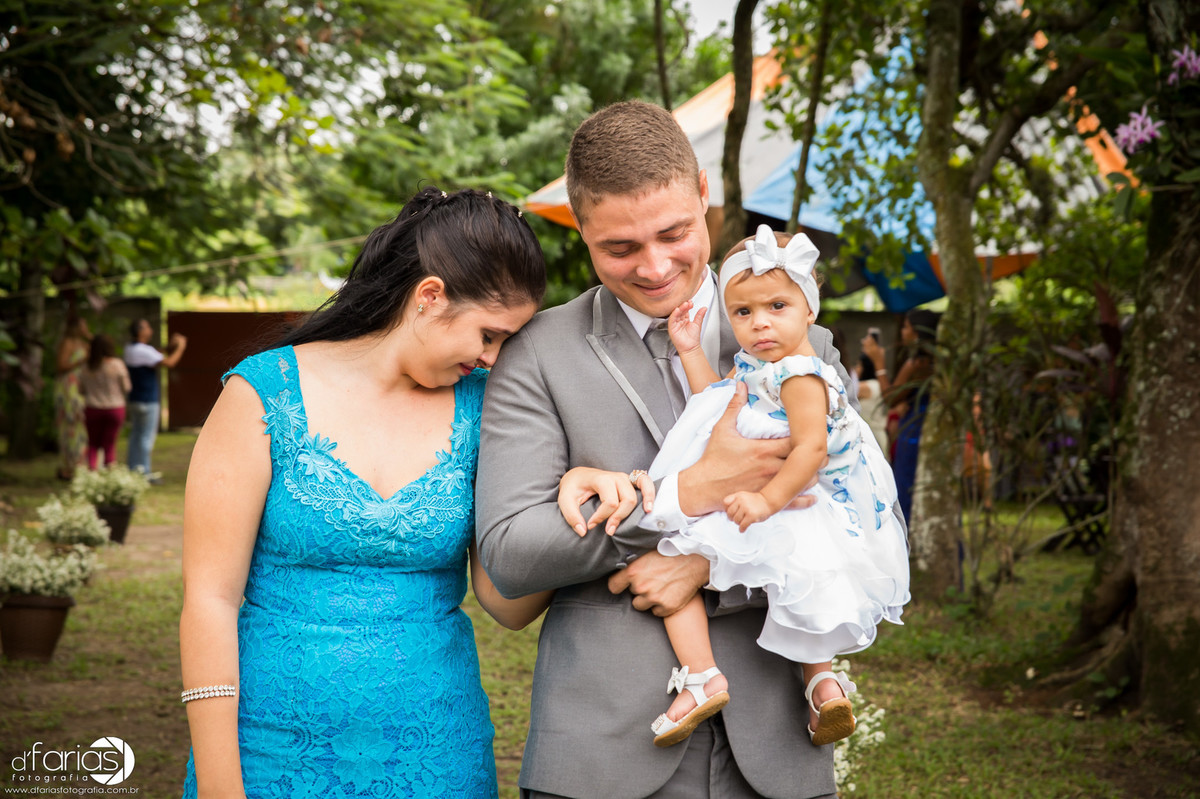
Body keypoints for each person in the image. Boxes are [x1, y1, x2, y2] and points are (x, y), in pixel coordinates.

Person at [476, 100, 856, 799]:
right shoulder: (536, 353)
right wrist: (680, 498)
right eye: (620, 248)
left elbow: (860, 526)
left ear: (704, 193)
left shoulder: (806, 345)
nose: (654, 267)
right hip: (598, 756)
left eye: (675, 233)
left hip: (780, 749)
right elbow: (512, 553)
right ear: (580, 228)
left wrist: (704, 564)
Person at [179, 187, 551, 799]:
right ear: (430, 297)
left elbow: (504, 603)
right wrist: (222, 786)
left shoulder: (483, 410)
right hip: (267, 751)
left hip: (437, 755)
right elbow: (209, 601)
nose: (493, 358)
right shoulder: (263, 394)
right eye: (489, 335)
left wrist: (573, 514)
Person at [580, 226, 908, 750]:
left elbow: (811, 450)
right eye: (743, 312)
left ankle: (705, 676)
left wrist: (764, 500)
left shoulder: (802, 376)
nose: (760, 323)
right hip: (758, 493)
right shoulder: (760, 367)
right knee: (794, 586)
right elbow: (716, 400)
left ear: (810, 309)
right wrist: (690, 348)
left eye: (777, 306)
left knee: (678, 553)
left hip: (784, 499)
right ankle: (820, 687)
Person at [861, 308, 939, 522]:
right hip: (931, 427)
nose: (903, 332)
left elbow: (890, 398)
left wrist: (878, 362)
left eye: (906, 327)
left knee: (906, 483)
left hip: (913, 429)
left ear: (917, 332)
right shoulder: (938, 361)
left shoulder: (916, 363)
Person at [124, 318, 188, 479]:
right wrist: (181, 347)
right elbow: (170, 363)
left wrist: (169, 347)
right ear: (140, 331)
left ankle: (132, 468)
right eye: (147, 327)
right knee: (146, 437)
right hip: (148, 400)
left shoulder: (130, 349)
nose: (151, 330)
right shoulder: (144, 351)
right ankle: (145, 472)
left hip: (135, 399)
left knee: (136, 435)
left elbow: (154, 353)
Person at [78, 333, 131, 469]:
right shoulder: (117, 364)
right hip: (115, 408)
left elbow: (81, 390)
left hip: (93, 409)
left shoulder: (86, 367)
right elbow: (127, 387)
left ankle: (92, 472)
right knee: (110, 444)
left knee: (93, 444)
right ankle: (109, 473)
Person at [53, 314, 91, 480]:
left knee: (81, 425)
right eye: (83, 325)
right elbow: (61, 365)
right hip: (68, 387)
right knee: (69, 424)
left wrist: (89, 337)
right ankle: (68, 466)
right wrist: (81, 360)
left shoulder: (84, 343)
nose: (85, 328)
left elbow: (100, 347)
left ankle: (80, 464)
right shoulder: (67, 343)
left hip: (80, 386)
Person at [855, 353, 889, 453]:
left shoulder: (864, 387)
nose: (856, 368)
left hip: (870, 436)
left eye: (859, 365)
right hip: (880, 435)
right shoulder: (879, 385)